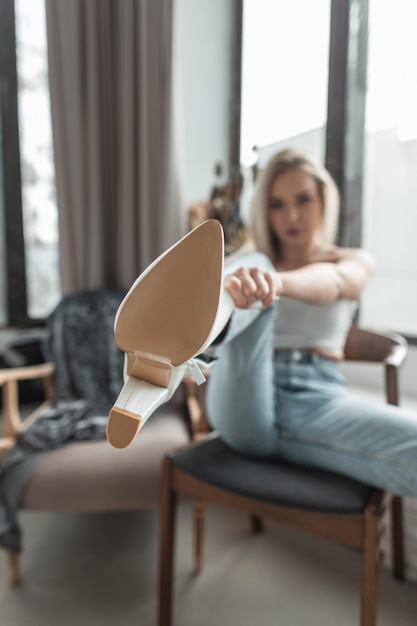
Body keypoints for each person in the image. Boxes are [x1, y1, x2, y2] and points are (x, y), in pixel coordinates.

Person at [205, 147, 417, 498]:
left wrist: (276, 283)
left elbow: (334, 283)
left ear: (323, 200)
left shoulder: (351, 260)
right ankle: (188, 328)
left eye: (303, 199)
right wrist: (259, 279)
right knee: (250, 265)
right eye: (277, 204)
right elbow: (254, 272)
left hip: (317, 401)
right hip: (245, 396)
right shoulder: (249, 265)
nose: (291, 215)